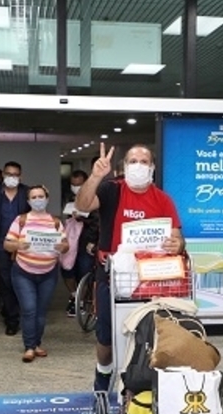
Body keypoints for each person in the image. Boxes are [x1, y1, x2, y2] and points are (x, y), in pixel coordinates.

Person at [75, 143, 185, 392]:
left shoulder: (163, 200)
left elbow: (177, 238)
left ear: (152, 168)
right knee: (106, 336)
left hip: (150, 278)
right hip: (112, 274)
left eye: (144, 162)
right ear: (124, 166)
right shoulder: (111, 190)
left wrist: (177, 244)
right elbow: (83, 205)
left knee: (147, 333)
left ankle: (139, 381)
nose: (138, 166)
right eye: (132, 161)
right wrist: (96, 176)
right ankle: (103, 375)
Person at [4, 185, 69, 362]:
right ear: (28, 201)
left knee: (41, 312)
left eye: (41, 196)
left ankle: (36, 343)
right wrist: (18, 245)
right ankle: (29, 347)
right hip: (23, 272)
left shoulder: (56, 222)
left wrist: (62, 247)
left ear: (47, 199)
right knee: (29, 309)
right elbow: (7, 244)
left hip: (48, 273)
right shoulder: (21, 220)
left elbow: (66, 246)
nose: (38, 200)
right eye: (34, 197)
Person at [0, 161, 30, 336]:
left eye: (15, 175)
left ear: (20, 176)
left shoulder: (27, 193)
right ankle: (12, 320)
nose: (12, 177)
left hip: (23, 244)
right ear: (3, 175)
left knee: (22, 281)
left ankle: (14, 310)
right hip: (0, 243)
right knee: (5, 281)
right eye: (9, 174)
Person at [61, 169, 99, 317]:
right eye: (73, 184)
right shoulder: (70, 198)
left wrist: (82, 219)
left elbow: (98, 222)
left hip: (87, 241)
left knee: (84, 270)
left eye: (79, 185)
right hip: (72, 240)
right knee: (67, 269)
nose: (75, 188)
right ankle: (74, 295)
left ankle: (81, 300)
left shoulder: (95, 198)